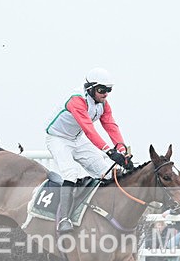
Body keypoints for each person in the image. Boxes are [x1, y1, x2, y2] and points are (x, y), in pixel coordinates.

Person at [45, 67, 132, 233]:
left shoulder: (103, 104)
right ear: (90, 88)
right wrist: (109, 151)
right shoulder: (77, 100)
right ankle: (64, 219)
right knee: (70, 174)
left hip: (77, 139)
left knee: (106, 173)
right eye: (102, 90)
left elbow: (110, 125)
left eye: (109, 90)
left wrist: (120, 148)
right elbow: (89, 129)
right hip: (58, 138)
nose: (105, 94)